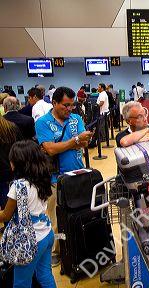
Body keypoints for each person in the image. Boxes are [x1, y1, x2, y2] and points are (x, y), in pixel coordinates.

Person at [35, 86, 93, 267]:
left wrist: (76, 142)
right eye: (65, 105)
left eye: (72, 105)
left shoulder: (76, 119)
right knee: (56, 220)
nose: (69, 109)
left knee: (81, 213)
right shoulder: (43, 122)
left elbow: (84, 143)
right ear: (54, 103)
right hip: (55, 179)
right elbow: (50, 149)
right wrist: (74, 141)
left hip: (77, 173)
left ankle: (78, 246)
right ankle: (57, 251)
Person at [0, 140, 57, 288]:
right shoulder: (41, 179)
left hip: (29, 241)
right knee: (45, 275)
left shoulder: (17, 186)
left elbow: (5, 215)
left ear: (19, 162)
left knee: (21, 282)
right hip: (46, 232)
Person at [0, 115, 22, 214]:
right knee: (13, 210)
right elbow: (21, 148)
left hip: (4, 175)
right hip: (14, 172)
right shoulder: (11, 127)